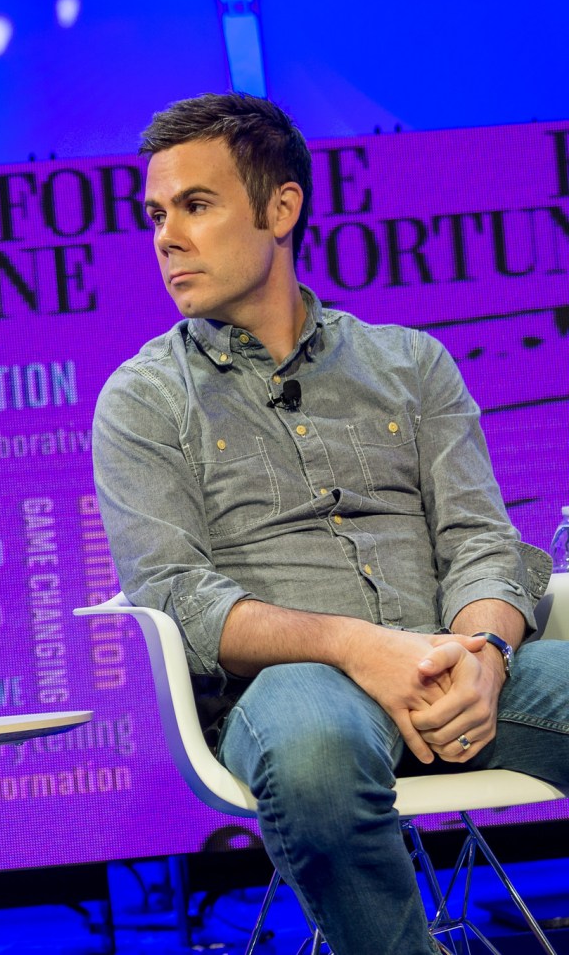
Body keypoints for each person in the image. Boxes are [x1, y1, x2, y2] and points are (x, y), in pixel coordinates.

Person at [91, 93, 567, 954]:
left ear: (281, 209)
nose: (167, 237)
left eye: (196, 206)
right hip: (296, 690)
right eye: (157, 215)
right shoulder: (143, 399)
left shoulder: (411, 363)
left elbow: (480, 540)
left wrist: (487, 653)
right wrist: (358, 647)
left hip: (454, 664)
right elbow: (177, 596)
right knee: (314, 757)